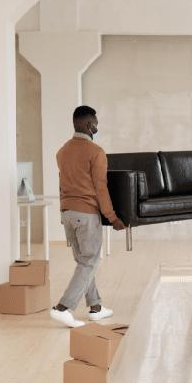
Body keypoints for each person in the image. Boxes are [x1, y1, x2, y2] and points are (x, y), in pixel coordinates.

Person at [50, 105, 126, 328]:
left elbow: (63, 184)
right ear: (85, 124)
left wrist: (63, 212)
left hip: (67, 213)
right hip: (86, 213)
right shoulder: (96, 152)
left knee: (84, 262)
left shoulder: (62, 151)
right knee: (89, 261)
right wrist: (112, 217)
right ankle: (63, 307)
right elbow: (100, 187)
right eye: (95, 122)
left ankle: (96, 307)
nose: (97, 126)